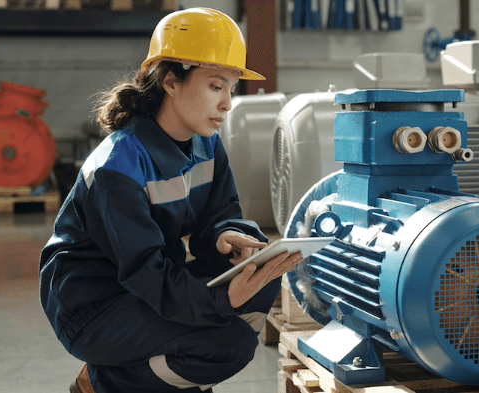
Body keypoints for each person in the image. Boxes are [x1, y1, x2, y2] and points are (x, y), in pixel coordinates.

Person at [39, 8, 303, 393]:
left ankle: (178, 375)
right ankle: (103, 380)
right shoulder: (118, 166)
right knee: (228, 346)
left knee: (260, 278)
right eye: (216, 86)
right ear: (171, 82)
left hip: (151, 284)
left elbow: (223, 213)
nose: (228, 103)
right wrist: (220, 300)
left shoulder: (207, 145)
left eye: (231, 88)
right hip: (94, 308)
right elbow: (145, 271)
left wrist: (225, 236)